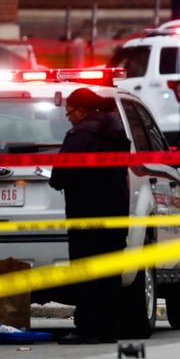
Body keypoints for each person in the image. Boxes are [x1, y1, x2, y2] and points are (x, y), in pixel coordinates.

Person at [50, 88, 131, 344]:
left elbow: (60, 176)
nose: (69, 117)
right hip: (116, 213)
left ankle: (87, 329)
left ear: (82, 110)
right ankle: (109, 330)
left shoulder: (81, 134)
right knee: (109, 274)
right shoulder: (116, 130)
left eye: (70, 112)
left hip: (87, 214)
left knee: (86, 274)